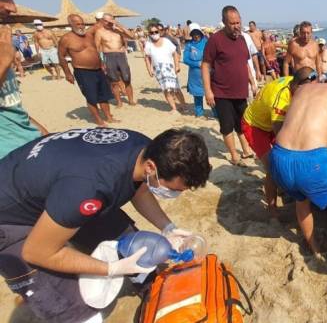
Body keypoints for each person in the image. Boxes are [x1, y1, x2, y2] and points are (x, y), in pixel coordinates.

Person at [0, 128, 211, 323]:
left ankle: (152, 293)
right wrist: (110, 268)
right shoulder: (89, 188)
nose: (176, 194)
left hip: (61, 187)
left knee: (139, 248)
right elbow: (37, 252)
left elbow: (140, 189)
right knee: (69, 308)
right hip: (11, 217)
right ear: (151, 167)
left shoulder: (146, 149)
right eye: (174, 189)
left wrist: (167, 227)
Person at [268, 71, 327, 275]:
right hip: (311, 163)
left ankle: (314, 248)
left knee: (301, 200)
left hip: (278, 158)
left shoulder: (302, 89)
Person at [241, 68, 316, 216]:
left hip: (272, 120)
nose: (311, 93)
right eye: (309, 89)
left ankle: (283, 188)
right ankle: (272, 208)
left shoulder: (296, 82)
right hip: (255, 125)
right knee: (274, 166)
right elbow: (281, 136)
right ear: (297, 86)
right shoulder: (281, 100)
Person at [0, 0, 48, 159]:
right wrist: (5, 58)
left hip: (28, 146)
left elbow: (10, 106)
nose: (12, 7)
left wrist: (45, 135)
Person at [202, 5, 256, 166]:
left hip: (241, 91)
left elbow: (245, 63)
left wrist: (252, 82)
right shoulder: (215, 40)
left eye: (238, 22)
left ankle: (246, 150)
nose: (236, 26)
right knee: (227, 125)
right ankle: (234, 155)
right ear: (225, 22)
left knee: (243, 123)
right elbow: (205, 65)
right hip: (221, 91)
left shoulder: (242, 39)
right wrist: (208, 91)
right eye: (232, 23)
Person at [59, 14, 118, 127]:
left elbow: (95, 50)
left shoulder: (89, 35)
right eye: (78, 24)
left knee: (103, 95)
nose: (81, 26)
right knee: (91, 97)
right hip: (83, 71)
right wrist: (67, 73)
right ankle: (98, 120)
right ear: (70, 24)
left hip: (98, 69)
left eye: (82, 24)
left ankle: (109, 117)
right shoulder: (66, 39)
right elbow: (61, 57)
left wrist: (101, 64)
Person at [94, 13, 136, 107]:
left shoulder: (118, 30)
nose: (108, 22)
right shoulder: (100, 32)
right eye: (106, 20)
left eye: (110, 20)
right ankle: (119, 102)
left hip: (121, 56)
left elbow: (132, 36)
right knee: (114, 81)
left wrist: (119, 25)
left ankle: (131, 100)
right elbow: (97, 48)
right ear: (102, 21)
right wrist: (101, 62)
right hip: (108, 56)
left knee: (126, 78)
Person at [144, 23, 185, 114]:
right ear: (149, 33)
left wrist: (177, 65)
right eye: (152, 32)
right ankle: (174, 108)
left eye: (156, 31)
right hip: (159, 71)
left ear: (159, 31)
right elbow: (147, 57)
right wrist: (149, 69)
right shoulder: (148, 44)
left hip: (170, 69)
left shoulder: (166, 41)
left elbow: (174, 53)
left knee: (176, 89)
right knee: (166, 90)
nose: (154, 34)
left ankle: (183, 106)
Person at [182, 23, 209, 118]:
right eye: (193, 34)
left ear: (201, 33)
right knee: (197, 96)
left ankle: (216, 113)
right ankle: (199, 113)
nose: (196, 36)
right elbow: (185, 59)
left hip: (208, 73)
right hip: (194, 76)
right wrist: (197, 64)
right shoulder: (189, 45)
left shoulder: (207, 42)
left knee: (211, 94)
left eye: (197, 33)